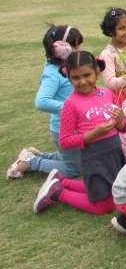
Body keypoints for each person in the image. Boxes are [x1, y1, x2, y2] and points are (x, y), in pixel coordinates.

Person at [33, 51, 126, 215]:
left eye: (87, 75)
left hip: (115, 154)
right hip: (95, 158)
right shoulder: (70, 104)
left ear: (97, 73)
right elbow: (65, 141)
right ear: (68, 77)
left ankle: (62, 182)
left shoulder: (107, 93)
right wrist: (93, 134)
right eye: (76, 77)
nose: (83, 81)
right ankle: (58, 192)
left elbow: (123, 126)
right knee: (104, 207)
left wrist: (120, 122)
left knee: (115, 190)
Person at [6, 25, 83, 180]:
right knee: (74, 170)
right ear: (62, 49)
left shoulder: (63, 66)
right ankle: (31, 162)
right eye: (75, 46)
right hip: (64, 130)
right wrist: (72, 109)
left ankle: (36, 155)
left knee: (81, 158)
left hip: (74, 127)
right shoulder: (53, 73)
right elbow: (41, 101)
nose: (79, 49)